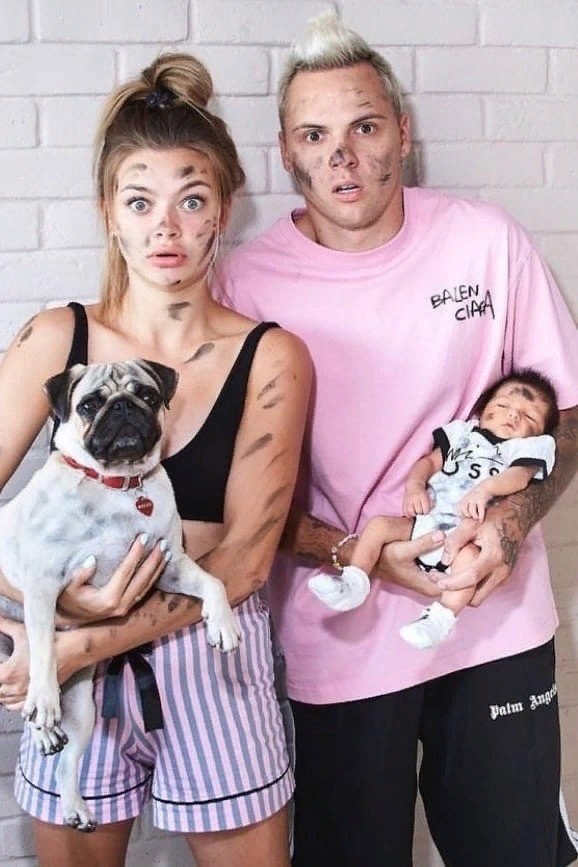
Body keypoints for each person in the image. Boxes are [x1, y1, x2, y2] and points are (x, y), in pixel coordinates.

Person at [217, 10, 578, 867]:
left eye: (365, 127)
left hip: (493, 624)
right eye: (315, 135)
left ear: (403, 135)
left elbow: (568, 415)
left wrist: (509, 523)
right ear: (286, 153)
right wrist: (359, 554)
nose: (343, 157)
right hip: (340, 642)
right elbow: (229, 494)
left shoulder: (486, 242)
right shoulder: (243, 284)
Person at [0, 53, 311, 867]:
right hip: (66, 661)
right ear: (109, 211)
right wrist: (44, 608)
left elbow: (244, 559)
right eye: (140, 201)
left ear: (223, 210)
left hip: (209, 650)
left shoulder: (271, 357)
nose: (165, 228)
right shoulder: (56, 341)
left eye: (191, 199)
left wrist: (87, 640)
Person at [308, 369, 559, 650]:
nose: (512, 415)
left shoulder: (523, 450)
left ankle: (440, 618)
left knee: (468, 563)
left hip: (467, 535)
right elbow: (428, 463)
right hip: (427, 522)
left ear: (540, 433)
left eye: (529, 417)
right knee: (379, 526)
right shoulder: (463, 434)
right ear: (483, 408)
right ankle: (354, 581)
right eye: (503, 405)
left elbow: (519, 477)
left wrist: (485, 489)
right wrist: (415, 486)